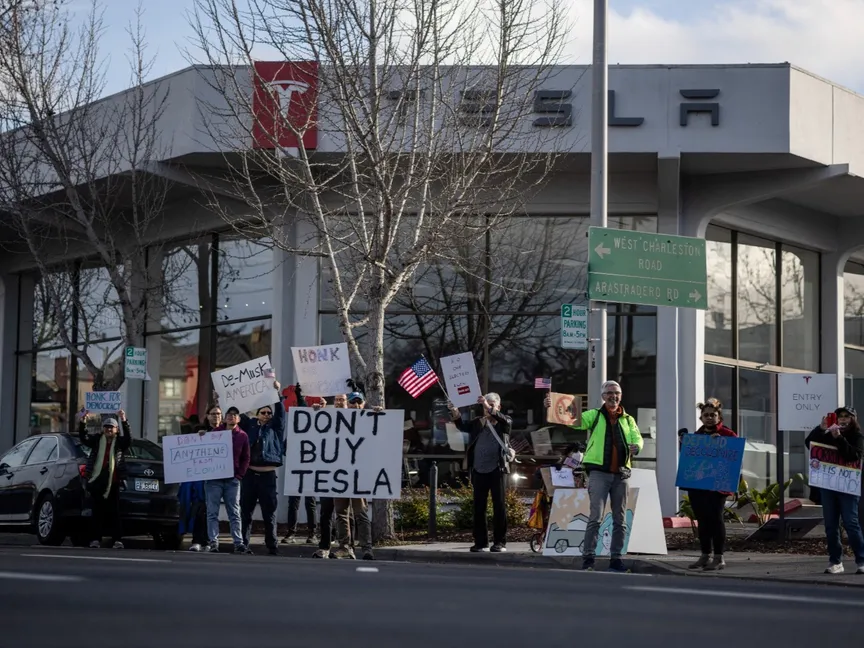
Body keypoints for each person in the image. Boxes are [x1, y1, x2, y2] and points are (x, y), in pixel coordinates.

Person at [546, 380, 642, 572]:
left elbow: (637, 438)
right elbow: (575, 421)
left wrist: (637, 446)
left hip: (621, 474)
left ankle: (616, 559)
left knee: (620, 519)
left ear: (621, 396)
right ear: (603, 396)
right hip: (599, 472)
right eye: (609, 393)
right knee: (595, 517)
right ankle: (588, 559)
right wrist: (553, 407)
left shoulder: (628, 419)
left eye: (616, 393)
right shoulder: (595, 415)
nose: (613, 396)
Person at [450, 393, 515, 553]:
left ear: (498, 407)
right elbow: (462, 426)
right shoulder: (478, 422)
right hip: (478, 469)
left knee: (499, 506)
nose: (487, 407)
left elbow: (504, 420)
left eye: (492, 404)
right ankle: (481, 543)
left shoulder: (504, 421)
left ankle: (500, 542)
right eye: (486, 405)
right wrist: (455, 411)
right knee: (479, 507)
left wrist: (486, 404)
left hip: (497, 469)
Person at [806, 406, 864, 575]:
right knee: (831, 525)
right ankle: (835, 561)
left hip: (848, 487)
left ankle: (861, 560)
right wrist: (820, 429)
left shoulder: (857, 437)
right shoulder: (827, 435)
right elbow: (810, 444)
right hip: (828, 486)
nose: (843, 419)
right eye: (840, 416)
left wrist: (839, 438)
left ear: (853, 419)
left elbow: (853, 456)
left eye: (847, 416)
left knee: (851, 523)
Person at [684, 399, 738, 571]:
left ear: (719, 417)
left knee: (716, 519)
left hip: (717, 486)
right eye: (706, 415)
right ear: (701, 418)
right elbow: (688, 459)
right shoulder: (696, 437)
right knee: (702, 520)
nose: (709, 418)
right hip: (698, 485)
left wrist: (721, 444)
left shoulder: (728, 435)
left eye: (712, 415)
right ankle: (705, 555)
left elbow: (735, 456)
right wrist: (683, 444)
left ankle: (719, 557)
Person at [238, 378, 287, 556]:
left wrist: (277, 393)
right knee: (246, 511)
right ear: (257, 415)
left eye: (269, 413)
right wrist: (220, 399)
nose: (266, 415)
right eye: (263, 412)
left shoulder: (275, 428)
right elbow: (237, 413)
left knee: (269, 512)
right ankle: (243, 543)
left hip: (268, 477)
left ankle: (272, 545)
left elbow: (280, 413)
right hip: (250, 476)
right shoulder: (249, 426)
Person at [331, 385, 375, 560]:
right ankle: (345, 547)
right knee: (341, 513)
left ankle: (367, 548)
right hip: (340, 474)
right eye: (352, 402)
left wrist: (379, 414)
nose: (355, 405)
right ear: (347, 404)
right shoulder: (337, 420)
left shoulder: (370, 419)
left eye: (358, 402)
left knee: (361, 513)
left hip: (359, 475)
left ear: (363, 404)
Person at [78, 409, 132, 549]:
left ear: (116, 430)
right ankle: (95, 539)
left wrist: (123, 419)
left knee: (115, 513)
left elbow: (128, 439)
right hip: (97, 481)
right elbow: (84, 438)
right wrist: (83, 421)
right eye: (106, 427)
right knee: (97, 512)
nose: (109, 430)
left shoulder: (119, 443)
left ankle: (117, 540)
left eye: (111, 427)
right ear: (103, 429)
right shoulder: (97, 440)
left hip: (113, 482)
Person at [203, 405, 250, 553]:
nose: (231, 417)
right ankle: (213, 542)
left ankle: (238, 543)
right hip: (214, 479)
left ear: (239, 419)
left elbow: (246, 458)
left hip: (232, 480)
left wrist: (239, 475)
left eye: (235, 415)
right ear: (225, 418)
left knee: (234, 512)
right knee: (212, 512)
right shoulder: (215, 433)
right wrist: (201, 437)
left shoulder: (243, 436)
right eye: (229, 414)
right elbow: (205, 451)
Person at [312, 393, 348, 559]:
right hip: (327, 474)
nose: (339, 402)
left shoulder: (355, 419)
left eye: (343, 400)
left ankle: (345, 547)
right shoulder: (328, 417)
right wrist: (317, 413)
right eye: (337, 400)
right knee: (325, 512)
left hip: (346, 475)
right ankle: (324, 547)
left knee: (344, 515)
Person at [282, 384, 317, 545]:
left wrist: (300, 396)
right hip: (295, 470)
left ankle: (312, 533)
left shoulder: (314, 432)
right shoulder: (293, 433)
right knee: (293, 503)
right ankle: (291, 533)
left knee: (310, 503)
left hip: (310, 470)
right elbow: (284, 449)